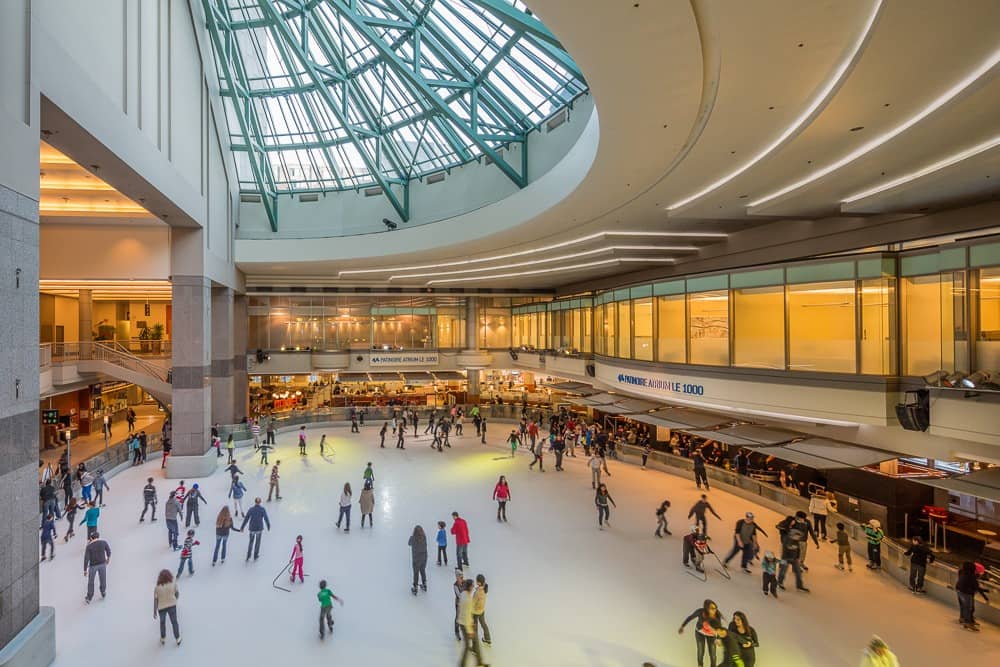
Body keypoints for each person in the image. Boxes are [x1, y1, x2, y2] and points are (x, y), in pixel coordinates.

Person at [678, 599, 726, 667]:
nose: (714, 610)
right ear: (706, 608)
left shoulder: (717, 616)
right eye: (712, 608)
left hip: (711, 635)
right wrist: (682, 626)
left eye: (715, 608)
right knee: (700, 651)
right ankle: (700, 665)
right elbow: (690, 617)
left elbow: (719, 628)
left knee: (712, 654)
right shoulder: (700, 612)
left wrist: (718, 639)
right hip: (700, 633)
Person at [457, 579, 488, 667]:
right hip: (466, 624)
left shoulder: (463, 594)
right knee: (467, 646)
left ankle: (479, 662)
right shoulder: (468, 600)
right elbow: (467, 616)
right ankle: (464, 664)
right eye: (472, 585)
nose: (474, 587)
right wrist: (470, 630)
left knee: (475, 642)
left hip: (463, 622)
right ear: (470, 587)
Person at [776, 520, 809, 593]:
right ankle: (779, 582)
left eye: (799, 536)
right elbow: (785, 550)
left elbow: (798, 550)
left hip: (794, 559)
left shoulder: (796, 541)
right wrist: (784, 560)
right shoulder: (786, 539)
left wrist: (797, 558)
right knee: (783, 571)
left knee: (798, 573)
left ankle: (799, 586)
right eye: (797, 536)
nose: (798, 538)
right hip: (786, 558)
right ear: (793, 535)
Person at [956, 561, 990, 631]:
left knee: (964, 607)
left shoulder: (963, 573)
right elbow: (976, 587)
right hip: (966, 593)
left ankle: (963, 619)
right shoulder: (972, 576)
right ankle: (968, 622)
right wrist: (986, 594)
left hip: (960, 591)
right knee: (969, 608)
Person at [153, 569, 181, 646]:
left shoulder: (157, 588)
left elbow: (156, 600)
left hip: (161, 608)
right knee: (174, 622)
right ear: (169, 575)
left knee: (162, 623)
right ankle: (178, 638)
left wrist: (154, 611)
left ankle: (163, 638)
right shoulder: (173, 583)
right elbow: (177, 594)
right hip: (172, 605)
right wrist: (174, 599)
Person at [83, 531, 111, 603]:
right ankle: (103, 592)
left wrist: (85, 570)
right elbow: (109, 551)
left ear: (91, 538)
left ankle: (89, 597)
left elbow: (86, 559)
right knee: (103, 579)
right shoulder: (103, 542)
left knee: (91, 581)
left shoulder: (89, 546)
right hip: (102, 564)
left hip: (93, 566)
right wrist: (108, 559)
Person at [472, 573, 491, 646]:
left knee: (474, 628)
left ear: (479, 582)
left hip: (476, 612)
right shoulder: (485, 588)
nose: (476, 582)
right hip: (482, 610)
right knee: (483, 624)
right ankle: (488, 638)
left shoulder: (478, 592)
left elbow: (473, 602)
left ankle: (475, 645)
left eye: (477, 581)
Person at [408, 525, 428, 595]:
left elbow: (409, 543)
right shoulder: (424, 537)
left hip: (416, 559)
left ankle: (415, 587)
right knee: (422, 571)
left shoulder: (413, 538)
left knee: (416, 573)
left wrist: (411, 536)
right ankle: (424, 584)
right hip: (424, 557)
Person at [452, 568, 466, 641]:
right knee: (457, 617)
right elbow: (459, 595)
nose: (462, 578)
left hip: (465, 604)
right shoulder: (455, 585)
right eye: (460, 577)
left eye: (462, 577)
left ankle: (464, 630)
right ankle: (457, 631)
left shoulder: (465, 582)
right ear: (457, 577)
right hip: (459, 604)